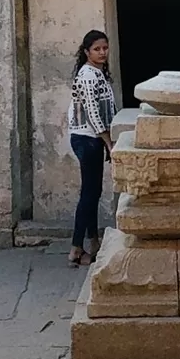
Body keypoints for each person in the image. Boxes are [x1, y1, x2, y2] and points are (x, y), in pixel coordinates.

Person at [67, 29, 116, 266]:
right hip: (87, 139)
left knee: (93, 192)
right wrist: (109, 143)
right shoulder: (87, 75)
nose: (102, 52)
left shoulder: (99, 73)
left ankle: (93, 241)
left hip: (93, 139)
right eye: (97, 49)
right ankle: (76, 248)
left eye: (105, 48)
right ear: (87, 52)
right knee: (88, 194)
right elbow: (93, 114)